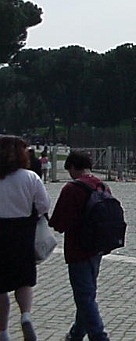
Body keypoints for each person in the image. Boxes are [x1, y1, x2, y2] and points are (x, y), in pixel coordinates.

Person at [49, 151, 113, 341]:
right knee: (87, 293)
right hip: (97, 247)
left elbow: (59, 223)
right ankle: (76, 333)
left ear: (73, 167)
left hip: (78, 248)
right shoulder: (102, 185)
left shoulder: (72, 189)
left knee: (84, 297)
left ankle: (99, 336)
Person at [0, 135, 50, 341]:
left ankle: (2, 331)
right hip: (23, 232)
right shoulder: (30, 177)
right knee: (24, 281)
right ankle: (26, 315)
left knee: (0, 286)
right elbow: (44, 205)